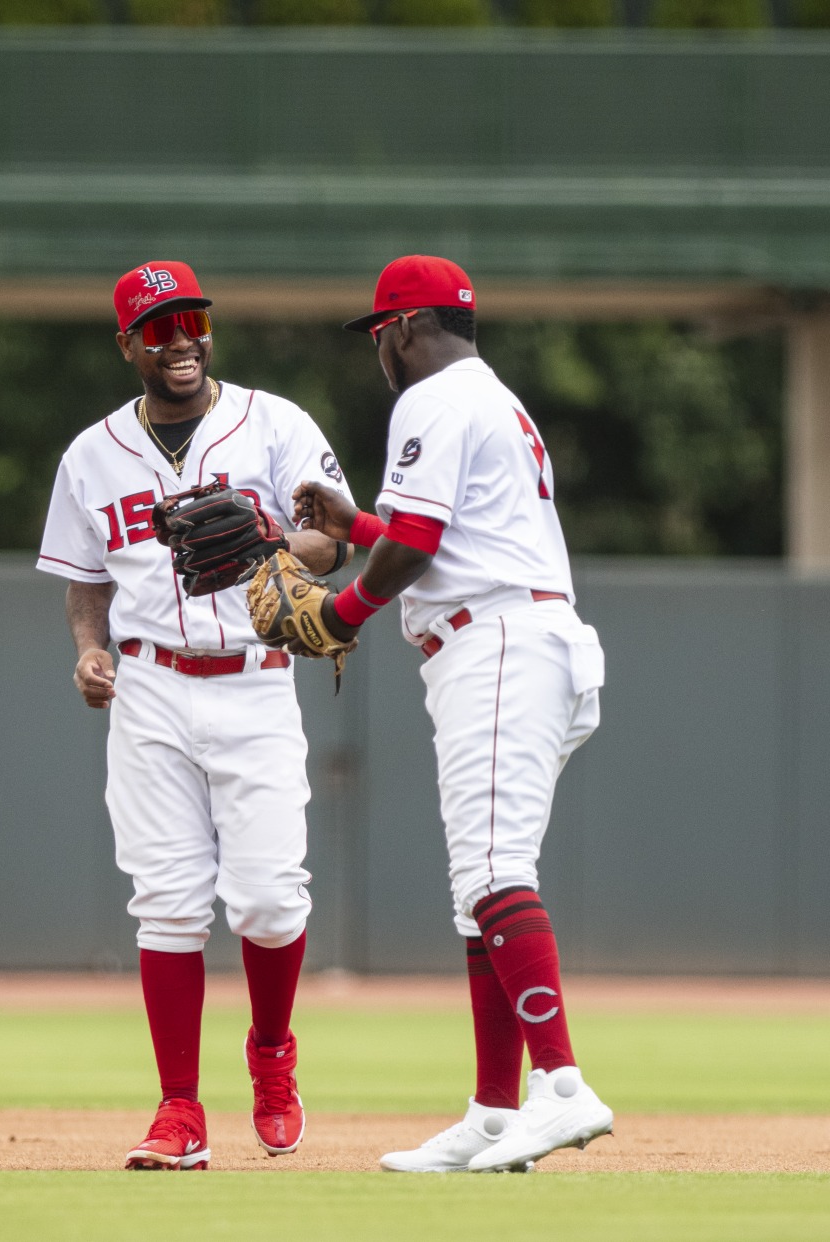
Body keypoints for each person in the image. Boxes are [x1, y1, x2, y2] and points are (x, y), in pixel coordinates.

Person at [291, 255, 613, 1174]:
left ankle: (560, 1087)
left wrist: (339, 611)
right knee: (481, 891)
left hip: (499, 643)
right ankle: (492, 1113)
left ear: (401, 329)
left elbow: (424, 547)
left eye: (378, 336)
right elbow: (443, 534)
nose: (379, 354)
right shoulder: (493, 396)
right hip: (524, 636)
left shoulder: (428, 400)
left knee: (493, 874)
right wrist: (357, 525)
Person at [37, 260, 355, 1170]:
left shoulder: (276, 422)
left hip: (254, 675)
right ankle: (180, 1109)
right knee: (168, 907)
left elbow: (331, 540)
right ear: (128, 342)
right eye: (159, 326)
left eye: (192, 320)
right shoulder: (90, 454)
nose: (180, 338)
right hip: (148, 690)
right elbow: (86, 580)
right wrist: (89, 653)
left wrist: (268, 539)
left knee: (264, 899)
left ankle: (271, 1056)